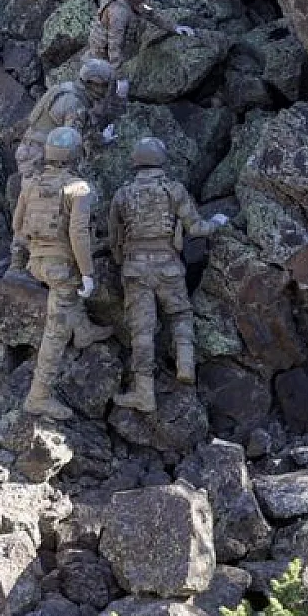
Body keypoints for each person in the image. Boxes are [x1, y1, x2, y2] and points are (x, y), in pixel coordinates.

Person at [108, 136, 227, 413]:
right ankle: (185, 365)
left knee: (142, 330)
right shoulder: (174, 190)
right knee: (180, 314)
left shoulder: (122, 194)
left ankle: (144, 394)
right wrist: (216, 223)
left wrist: (121, 262)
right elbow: (195, 228)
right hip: (169, 265)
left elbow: (114, 238)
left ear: (135, 161)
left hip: (135, 268)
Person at [8, 126, 114, 420]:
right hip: (61, 265)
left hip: (38, 261)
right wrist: (88, 272)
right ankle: (38, 396)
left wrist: (35, 250)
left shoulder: (30, 183)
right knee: (55, 332)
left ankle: (84, 331)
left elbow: (17, 226)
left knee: (67, 296)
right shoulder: (78, 187)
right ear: (76, 153)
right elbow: (78, 232)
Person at [86, 0, 195, 97]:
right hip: (103, 55)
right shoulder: (118, 13)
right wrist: (120, 77)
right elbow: (114, 48)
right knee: (108, 91)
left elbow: (151, 13)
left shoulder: (134, 0)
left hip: (121, 48)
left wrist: (174, 27)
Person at [13, 58, 118, 180]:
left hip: (31, 150)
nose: (106, 90)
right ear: (92, 84)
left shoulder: (67, 88)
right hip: (40, 158)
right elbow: (69, 146)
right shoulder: (75, 104)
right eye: (104, 86)